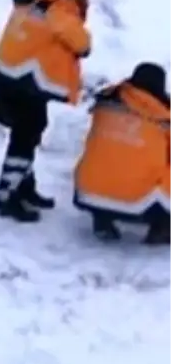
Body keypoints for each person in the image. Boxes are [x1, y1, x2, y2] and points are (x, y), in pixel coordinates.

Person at [0, 0, 100, 221]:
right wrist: (85, 43)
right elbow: (73, 36)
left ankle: (24, 187)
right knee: (25, 137)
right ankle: (7, 198)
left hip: (13, 72)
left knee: (31, 131)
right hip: (27, 78)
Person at [73, 62, 171, 244]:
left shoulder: (105, 103)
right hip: (133, 196)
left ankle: (102, 218)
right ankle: (163, 226)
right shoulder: (163, 118)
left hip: (87, 191)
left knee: (108, 154)